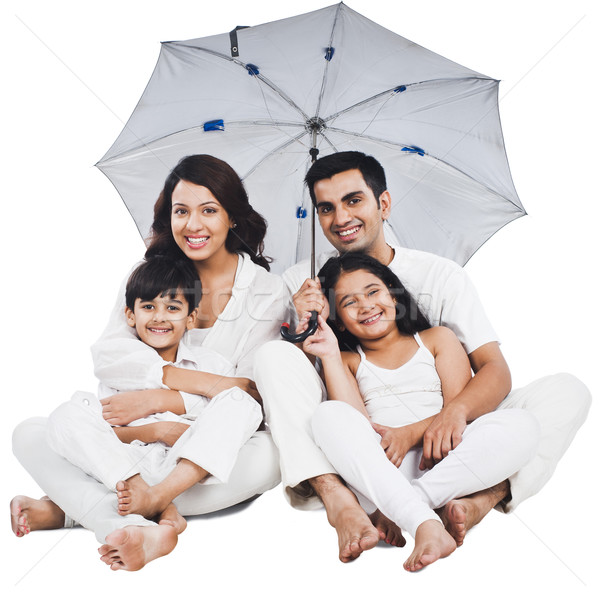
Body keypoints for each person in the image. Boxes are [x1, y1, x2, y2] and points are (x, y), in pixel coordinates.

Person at [254, 150, 591, 562]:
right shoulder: (301, 281)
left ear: (384, 204)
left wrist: (453, 415)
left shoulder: (439, 278)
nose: (340, 218)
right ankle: (338, 498)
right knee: (276, 358)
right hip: (367, 441)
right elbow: (292, 386)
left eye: (353, 200)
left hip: (446, 431)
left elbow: (493, 370)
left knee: (563, 393)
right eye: (326, 208)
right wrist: (305, 323)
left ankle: (473, 499)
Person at [12, 154, 286, 571]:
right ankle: (144, 522)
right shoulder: (149, 275)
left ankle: (79, 508)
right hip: (127, 453)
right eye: (181, 211)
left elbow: (251, 397)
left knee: (272, 454)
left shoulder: (269, 291)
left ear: (232, 216)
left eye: (209, 210)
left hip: (201, 464)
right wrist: (176, 384)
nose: (193, 225)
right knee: (32, 431)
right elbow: (109, 356)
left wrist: (162, 407)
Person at [303, 253, 539, 571]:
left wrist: (410, 434)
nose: (366, 306)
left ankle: (411, 507)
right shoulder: (348, 361)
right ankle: (422, 519)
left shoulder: (437, 339)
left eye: (373, 292)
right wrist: (330, 353)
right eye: (349, 302)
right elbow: (356, 424)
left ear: (393, 293)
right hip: (385, 470)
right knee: (327, 415)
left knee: (522, 424)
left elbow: (457, 414)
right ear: (339, 320)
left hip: (445, 461)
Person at [45, 256, 263, 561]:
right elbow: (106, 433)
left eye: (172, 308)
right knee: (64, 416)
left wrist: (173, 412)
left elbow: (238, 408)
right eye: (148, 307)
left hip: (187, 465)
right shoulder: (123, 364)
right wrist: (156, 430)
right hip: (128, 465)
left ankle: (156, 500)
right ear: (130, 315)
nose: (159, 317)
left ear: (190, 318)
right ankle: (152, 511)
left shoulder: (210, 364)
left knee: (241, 403)